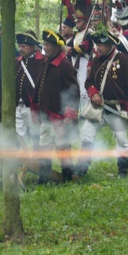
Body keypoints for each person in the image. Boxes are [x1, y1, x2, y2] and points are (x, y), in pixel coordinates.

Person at [78, 26, 128, 179]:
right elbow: (88, 82)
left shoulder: (124, 60)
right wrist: (93, 93)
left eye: (100, 45)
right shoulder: (95, 61)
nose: (97, 48)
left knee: (121, 140)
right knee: (86, 135)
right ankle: (81, 169)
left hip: (116, 109)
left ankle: (122, 172)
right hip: (98, 108)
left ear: (110, 45)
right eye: (97, 44)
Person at [35, 29, 80, 183]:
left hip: (60, 116)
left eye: (47, 45)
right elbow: (40, 86)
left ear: (56, 47)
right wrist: (36, 108)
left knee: (63, 148)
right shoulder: (46, 63)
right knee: (44, 146)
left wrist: (69, 113)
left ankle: (68, 176)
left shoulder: (65, 66)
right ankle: (44, 177)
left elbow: (73, 91)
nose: (45, 47)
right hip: (47, 114)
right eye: (44, 44)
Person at [14, 32, 44, 148]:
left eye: (24, 46)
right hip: (18, 104)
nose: (20, 49)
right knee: (18, 132)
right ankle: (24, 157)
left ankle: (36, 160)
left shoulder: (41, 62)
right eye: (20, 46)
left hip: (32, 105)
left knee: (35, 133)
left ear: (32, 47)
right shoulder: (17, 61)